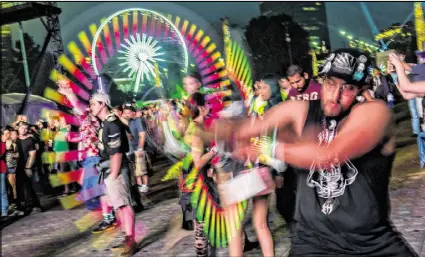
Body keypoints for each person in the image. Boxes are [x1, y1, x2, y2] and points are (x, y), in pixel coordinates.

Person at [215, 49, 418, 256]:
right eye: (330, 83)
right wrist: (227, 131)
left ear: (360, 90)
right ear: (322, 81)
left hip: (371, 243)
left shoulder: (374, 112)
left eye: (347, 88)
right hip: (313, 243)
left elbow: (330, 154)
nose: (335, 95)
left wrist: (266, 148)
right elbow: (254, 125)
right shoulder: (301, 110)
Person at [89, 93, 137, 257]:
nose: (91, 107)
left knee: (123, 204)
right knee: (118, 206)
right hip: (109, 169)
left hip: (115, 169)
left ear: (103, 104)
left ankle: (131, 240)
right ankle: (127, 237)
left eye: (93, 104)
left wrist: (114, 175)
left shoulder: (112, 123)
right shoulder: (106, 123)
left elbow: (116, 153)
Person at [15, 121, 43, 213]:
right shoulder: (16, 139)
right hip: (17, 166)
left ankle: (36, 205)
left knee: (30, 186)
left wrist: (27, 167)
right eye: (22, 128)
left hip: (27, 166)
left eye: (26, 128)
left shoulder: (30, 139)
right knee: (20, 187)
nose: (24, 130)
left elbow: (32, 155)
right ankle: (25, 206)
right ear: (18, 128)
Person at [122, 104, 149, 193]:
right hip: (133, 148)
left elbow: (142, 135)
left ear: (133, 113)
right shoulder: (129, 122)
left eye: (128, 113)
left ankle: (145, 185)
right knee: (136, 170)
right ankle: (140, 185)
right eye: (124, 113)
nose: (126, 115)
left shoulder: (138, 121)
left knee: (142, 169)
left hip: (139, 148)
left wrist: (140, 148)